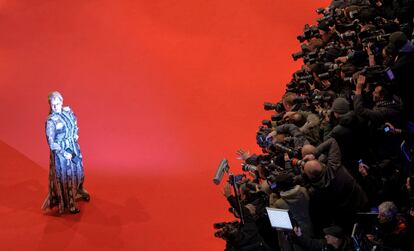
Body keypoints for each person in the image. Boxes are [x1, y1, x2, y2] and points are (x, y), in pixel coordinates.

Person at [41, 91, 90, 214]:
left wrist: (75, 134)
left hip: (73, 147)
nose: (56, 107)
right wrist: (63, 153)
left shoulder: (67, 111)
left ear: (62, 102)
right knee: (65, 178)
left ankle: (79, 189)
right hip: (61, 155)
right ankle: (70, 204)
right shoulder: (51, 121)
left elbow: (74, 121)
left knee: (79, 172)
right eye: (53, 105)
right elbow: (51, 142)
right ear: (50, 105)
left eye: (58, 104)